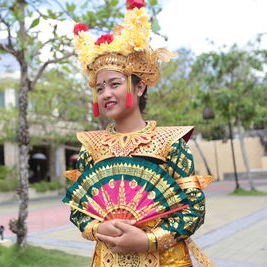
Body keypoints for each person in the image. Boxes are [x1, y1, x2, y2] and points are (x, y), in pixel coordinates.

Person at [63, 1, 215, 266]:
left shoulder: (170, 143)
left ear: (140, 86)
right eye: (99, 88)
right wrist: (96, 229)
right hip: (109, 259)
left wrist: (149, 240)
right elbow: (80, 210)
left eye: (114, 84)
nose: (106, 94)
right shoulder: (91, 146)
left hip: (166, 259)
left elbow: (193, 209)